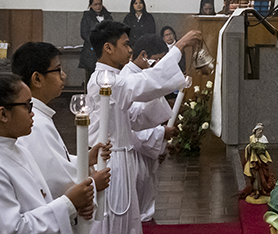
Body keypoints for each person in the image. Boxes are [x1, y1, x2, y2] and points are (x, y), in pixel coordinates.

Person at [86, 20, 201, 234]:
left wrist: (158, 102)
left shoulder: (111, 78)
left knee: (125, 219)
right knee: (114, 219)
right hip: (111, 158)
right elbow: (145, 83)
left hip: (121, 156)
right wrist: (179, 46)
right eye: (125, 44)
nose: (130, 50)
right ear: (108, 48)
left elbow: (133, 118)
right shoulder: (104, 80)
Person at [0, 73, 96, 234]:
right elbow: (13, 230)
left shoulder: (19, 150)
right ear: (3, 114)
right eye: (27, 106)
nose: (32, 113)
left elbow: (39, 203)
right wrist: (69, 204)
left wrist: (72, 210)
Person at [12, 42, 112, 234]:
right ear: (37, 79)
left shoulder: (39, 116)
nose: (64, 75)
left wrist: (84, 160)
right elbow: (53, 180)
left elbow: (52, 162)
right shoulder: (35, 123)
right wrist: (92, 182)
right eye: (58, 70)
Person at [123, 34, 180, 224]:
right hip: (132, 153)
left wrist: (160, 146)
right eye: (158, 60)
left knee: (145, 196)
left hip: (145, 150)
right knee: (136, 203)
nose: (159, 66)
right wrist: (162, 134)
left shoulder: (141, 75)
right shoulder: (128, 78)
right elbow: (130, 125)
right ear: (144, 55)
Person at [80, 0, 112, 86]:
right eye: (95, 4)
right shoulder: (87, 17)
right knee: (91, 77)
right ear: (90, 5)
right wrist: (96, 42)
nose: (98, 7)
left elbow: (112, 30)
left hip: (105, 50)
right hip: (91, 51)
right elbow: (84, 33)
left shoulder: (108, 16)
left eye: (100, 4)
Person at [244, 123, 275, 202]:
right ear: (256, 130)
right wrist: (251, 148)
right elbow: (250, 148)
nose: (260, 132)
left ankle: (262, 190)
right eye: (259, 130)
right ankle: (256, 190)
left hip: (262, 160)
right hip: (254, 160)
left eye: (261, 130)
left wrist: (257, 147)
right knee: (255, 176)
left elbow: (263, 149)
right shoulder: (252, 138)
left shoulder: (263, 138)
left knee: (263, 176)